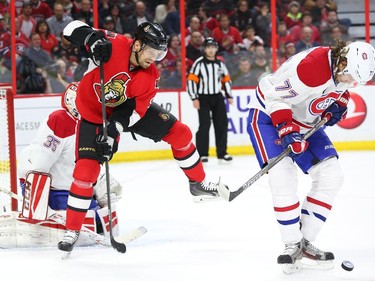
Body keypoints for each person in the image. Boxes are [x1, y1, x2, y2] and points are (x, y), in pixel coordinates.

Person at [58, 20, 226, 253]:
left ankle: (198, 183)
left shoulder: (150, 75)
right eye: (151, 51)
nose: (155, 57)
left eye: (160, 53)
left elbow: (132, 111)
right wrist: (91, 39)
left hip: (120, 114)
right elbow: (69, 28)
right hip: (92, 115)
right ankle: (72, 230)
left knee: (181, 133)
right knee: (86, 172)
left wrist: (113, 132)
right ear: (137, 45)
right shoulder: (114, 44)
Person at [245, 40, 375, 273]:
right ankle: (291, 244)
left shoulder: (342, 68)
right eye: (352, 78)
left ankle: (302, 244)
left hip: (303, 121)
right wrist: (287, 131)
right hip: (268, 114)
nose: (352, 84)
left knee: (332, 176)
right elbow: (277, 98)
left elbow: (340, 92)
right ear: (342, 63)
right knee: (282, 177)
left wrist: (338, 106)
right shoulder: (312, 68)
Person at [0, 83, 123, 248]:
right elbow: (37, 162)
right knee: (91, 221)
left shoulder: (91, 124)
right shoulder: (61, 120)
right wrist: (35, 196)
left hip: (77, 188)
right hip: (58, 192)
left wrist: (97, 180)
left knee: (102, 215)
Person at [187, 37, 233, 164]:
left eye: (213, 47)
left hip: (217, 97)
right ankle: (202, 154)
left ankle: (222, 153)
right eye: (208, 47)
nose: (211, 50)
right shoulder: (199, 63)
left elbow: (226, 80)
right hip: (203, 97)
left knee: (222, 124)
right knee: (204, 124)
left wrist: (229, 95)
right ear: (204, 49)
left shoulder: (220, 64)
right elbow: (191, 80)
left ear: (216, 49)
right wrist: (194, 97)